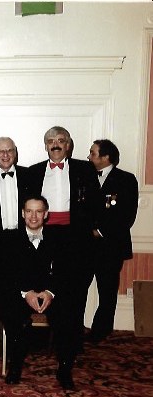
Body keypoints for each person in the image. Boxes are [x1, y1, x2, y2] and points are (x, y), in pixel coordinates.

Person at [27, 126, 99, 347]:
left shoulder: (85, 169)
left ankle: (71, 339)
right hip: (45, 234)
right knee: (42, 280)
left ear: (68, 145)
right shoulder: (34, 171)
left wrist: (90, 230)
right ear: (46, 146)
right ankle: (39, 337)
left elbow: (95, 203)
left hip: (74, 236)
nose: (55, 145)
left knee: (74, 286)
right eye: (51, 141)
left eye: (60, 140)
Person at [1, 195, 78, 390]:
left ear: (46, 214)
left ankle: (64, 370)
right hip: (21, 293)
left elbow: (66, 272)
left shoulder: (60, 238)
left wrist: (50, 292)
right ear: (22, 213)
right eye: (29, 211)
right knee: (12, 313)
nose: (33, 216)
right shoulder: (9, 238)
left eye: (38, 211)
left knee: (68, 315)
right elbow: (6, 273)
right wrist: (26, 293)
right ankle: (15, 367)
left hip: (50, 293)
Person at [87, 139, 139, 343]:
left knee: (107, 291)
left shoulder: (126, 179)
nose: (89, 156)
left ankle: (101, 330)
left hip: (111, 246)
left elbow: (127, 214)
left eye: (92, 153)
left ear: (105, 157)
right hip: (84, 245)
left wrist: (100, 231)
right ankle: (74, 329)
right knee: (77, 289)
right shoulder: (84, 175)